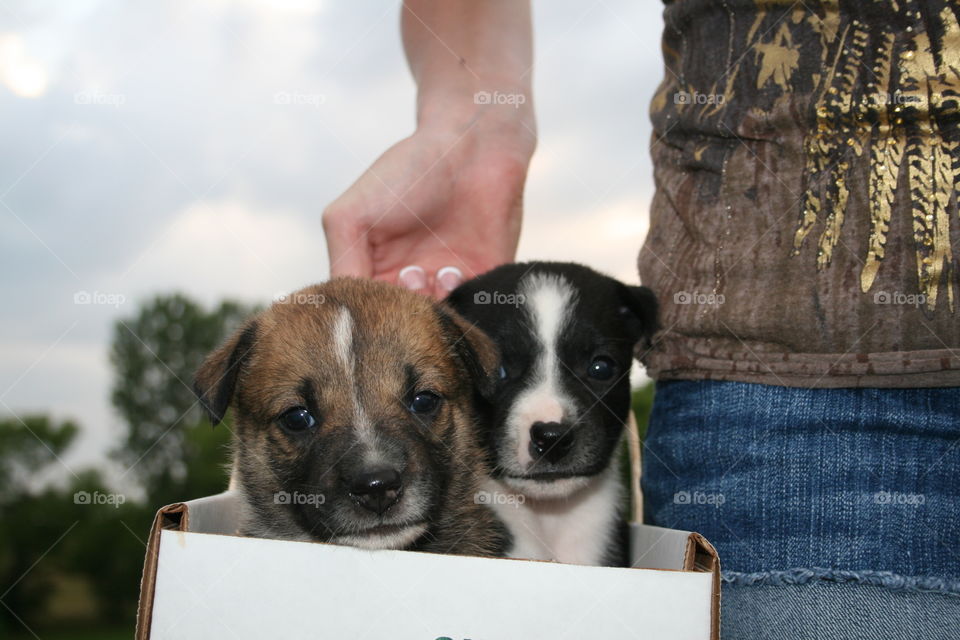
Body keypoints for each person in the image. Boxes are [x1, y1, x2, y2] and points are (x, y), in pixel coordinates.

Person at [322, 1, 960, 637]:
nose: (552, 415)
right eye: (503, 370)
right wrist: (471, 131)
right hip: (791, 398)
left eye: (598, 367)